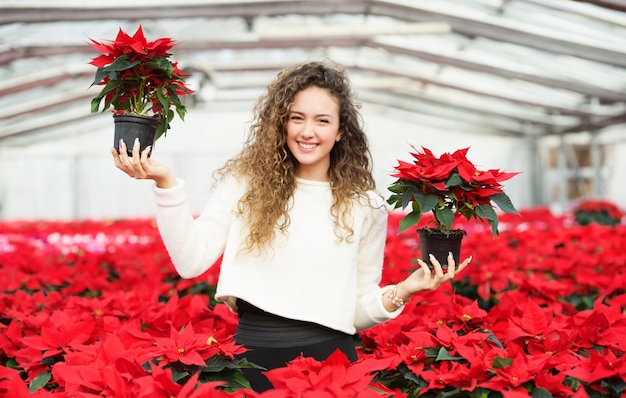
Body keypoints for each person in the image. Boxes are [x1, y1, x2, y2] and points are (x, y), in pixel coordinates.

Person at [112, 59, 472, 392]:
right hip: (253, 360)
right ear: (281, 122)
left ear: (342, 130)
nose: (307, 131)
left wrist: (405, 290)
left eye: (322, 120)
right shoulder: (245, 183)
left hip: (332, 364)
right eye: (296, 118)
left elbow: (358, 309)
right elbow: (190, 261)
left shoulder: (366, 205)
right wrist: (166, 184)